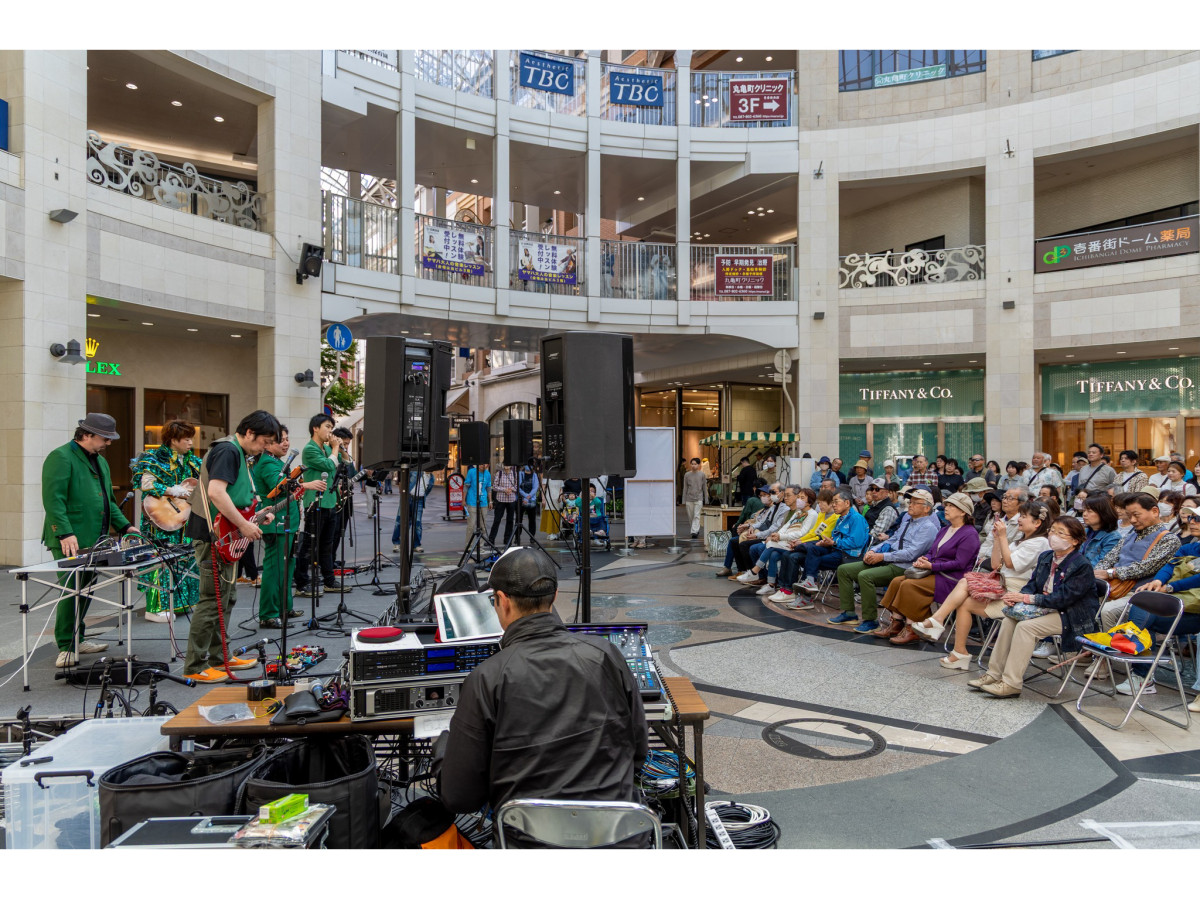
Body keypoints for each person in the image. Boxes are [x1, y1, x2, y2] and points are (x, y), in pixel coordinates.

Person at [435, 548, 648, 820]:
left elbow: (459, 797)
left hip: (526, 837)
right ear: (555, 596)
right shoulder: (606, 654)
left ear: (503, 601)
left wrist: (442, 749)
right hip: (617, 833)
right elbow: (639, 751)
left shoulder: (486, 678)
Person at [183, 410, 280, 682]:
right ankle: (195, 666)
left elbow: (234, 496)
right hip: (213, 535)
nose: (266, 448)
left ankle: (220, 657)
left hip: (226, 533)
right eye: (264, 441)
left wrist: (254, 516)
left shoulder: (238, 452)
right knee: (211, 600)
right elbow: (216, 492)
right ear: (249, 433)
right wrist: (244, 525)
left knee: (226, 598)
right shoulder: (228, 450)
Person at [42, 413, 139, 669]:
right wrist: (64, 532)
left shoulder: (100, 462)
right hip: (70, 538)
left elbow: (108, 501)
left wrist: (126, 526)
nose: (108, 443)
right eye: (105, 438)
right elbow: (53, 500)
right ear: (86, 435)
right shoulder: (60, 457)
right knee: (71, 591)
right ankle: (66, 646)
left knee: (86, 590)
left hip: (96, 537)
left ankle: (79, 638)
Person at [969, 516, 1099, 697]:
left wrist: (1027, 598)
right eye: (1052, 531)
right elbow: (1033, 584)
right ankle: (993, 674)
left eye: (1061, 533)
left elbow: (1063, 599)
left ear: (1075, 541)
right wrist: (1018, 598)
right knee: (1008, 620)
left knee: (1026, 627)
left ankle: (1011, 683)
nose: (1054, 536)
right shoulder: (1046, 556)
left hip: (1071, 614)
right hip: (1044, 606)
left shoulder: (1081, 566)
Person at [913, 500, 1053, 664]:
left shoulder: (1040, 542)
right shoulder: (1019, 541)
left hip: (1016, 592)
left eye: (1024, 516)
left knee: (965, 582)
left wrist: (1002, 537)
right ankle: (958, 651)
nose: (1019, 519)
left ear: (1037, 523)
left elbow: (1010, 564)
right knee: (964, 602)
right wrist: (997, 540)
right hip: (1002, 585)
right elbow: (995, 564)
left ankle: (938, 622)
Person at [827, 488, 941, 634]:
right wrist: (874, 550)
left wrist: (883, 556)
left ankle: (870, 621)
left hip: (904, 567)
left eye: (915, 502)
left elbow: (911, 554)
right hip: (889, 559)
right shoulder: (908, 521)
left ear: (927, 508)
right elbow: (892, 539)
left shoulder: (928, 528)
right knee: (844, 570)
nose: (910, 505)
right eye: (910, 502)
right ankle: (849, 613)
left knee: (865, 576)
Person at [874, 493, 980, 644]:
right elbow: (932, 552)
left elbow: (960, 564)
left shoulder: (969, 534)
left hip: (952, 579)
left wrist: (931, 565)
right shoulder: (945, 529)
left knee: (910, 585)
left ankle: (912, 629)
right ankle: (897, 623)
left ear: (963, 512)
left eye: (951, 506)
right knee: (898, 581)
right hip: (935, 572)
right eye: (946, 505)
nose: (946, 508)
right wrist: (924, 559)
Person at [252, 426, 326, 628]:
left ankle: (285, 607)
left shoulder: (276, 461)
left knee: (286, 566)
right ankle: (268, 614)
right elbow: (279, 487)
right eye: (280, 440)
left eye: (287, 439)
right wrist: (307, 485)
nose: (286, 443)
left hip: (286, 521)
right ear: (267, 444)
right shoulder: (268, 463)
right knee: (275, 568)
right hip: (275, 521)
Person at [131, 419, 201, 622]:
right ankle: (156, 607)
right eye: (186, 439)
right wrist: (172, 490)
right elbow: (146, 484)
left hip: (184, 518)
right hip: (161, 517)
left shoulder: (193, 461)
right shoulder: (154, 458)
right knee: (161, 559)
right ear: (173, 439)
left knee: (185, 557)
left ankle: (181, 603)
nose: (190, 443)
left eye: (191, 438)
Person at [1094, 492, 1182, 629]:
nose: (1133, 520)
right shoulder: (1130, 535)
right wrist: (1097, 572)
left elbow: (1145, 567)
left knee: (1107, 611)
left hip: (1138, 593)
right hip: (1113, 588)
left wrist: (1111, 573)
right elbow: (1109, 558)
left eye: (1136, 515)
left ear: (1154, 511)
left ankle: (1113, 642)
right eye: (1129, 516)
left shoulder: (1169, 539)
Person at [294, 414, 348, 599]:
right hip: (314, 503)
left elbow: (346, 462)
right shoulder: (310, 449)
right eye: (327, 427)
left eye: (332, 427)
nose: (330, 431)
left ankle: (329, 581)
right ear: (315, 428)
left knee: (327, 545)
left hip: (330, 501)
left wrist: (340, 447)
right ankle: (302, 583)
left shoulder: (327, 448)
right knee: (309, 546)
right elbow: (328, 465)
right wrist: (335, 448)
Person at [793, 490, 869, 595]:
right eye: (832, 502)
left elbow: (855, 542)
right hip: (836, 550)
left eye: (836, 501)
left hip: (848, 555)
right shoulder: (840, 519)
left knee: (811, 561)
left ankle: (805, 594)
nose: (833, 505)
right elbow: (833, 537)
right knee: (813, 548)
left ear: (847, 503)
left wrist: (834, 542)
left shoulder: (857, 519)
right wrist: (825, 542)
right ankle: (809, 583)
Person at [716, 481, 769, 577]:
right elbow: (758, 520)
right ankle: (742, 570)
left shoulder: (754, 501)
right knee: (734, 541)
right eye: (761, 495)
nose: (763, 497)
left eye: (765, 495)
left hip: (763, 534)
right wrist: (748, 526)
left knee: (739, 541)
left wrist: (739, 525)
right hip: (757, 531)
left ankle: (747, 571)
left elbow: (745, 515)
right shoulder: (765, 508)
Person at [394, 466, 434, 554]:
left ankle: (416, 545)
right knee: (400, 520)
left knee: (417, 523)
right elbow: (405, 479)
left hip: (419, 499)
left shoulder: (431, 478)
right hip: (408, 498)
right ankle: (397, 542)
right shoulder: (415, 471)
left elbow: (428, 490)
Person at [1079, 495, 1121, 566]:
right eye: (1084, 510)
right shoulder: (1085, 531)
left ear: (1103, 513)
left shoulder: (1113, 538)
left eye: (1089, 511)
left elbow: (1101, 563)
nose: (1084, 514)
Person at [489, 463, 519, 547]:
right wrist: (504, 490)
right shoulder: (499, 473)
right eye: (505, 464)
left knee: (510, 520)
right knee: (497, 520)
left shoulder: (514, 473)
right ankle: (491, 539)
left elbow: (517, 485)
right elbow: (494, 486)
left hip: (511, 499)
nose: (507, 466)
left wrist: (511, 489)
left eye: (508, 464)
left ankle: (507, 539)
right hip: (500, 499)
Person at [464, 461, 491, 547]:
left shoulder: (487, 474)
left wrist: (490, 501)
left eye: (485, 464)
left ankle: (480, 546)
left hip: (483, 502)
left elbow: (488, 488)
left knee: (483, 526)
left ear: (487, 465)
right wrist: (463, 499)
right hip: (472, 501)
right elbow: (466, 486)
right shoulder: (471, 472)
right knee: (471, 525)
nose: (483, 465)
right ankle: (468, 546)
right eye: (481, 463)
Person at [681, 457, 706, 539]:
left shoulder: (702, 474)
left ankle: (694, 532)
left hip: (699, 498)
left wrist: (706, 499)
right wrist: (683, 500)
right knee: (691, 516)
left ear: (699, 465)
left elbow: (704, 487)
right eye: (692, 464)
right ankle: (695, 529)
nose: (693, 465)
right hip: (689, 498)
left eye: (695, 464)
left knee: (696, 515)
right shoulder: (687, 475)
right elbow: (685, 488)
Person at [516, 461, 540, 543]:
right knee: (519, 519)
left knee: (532, 519)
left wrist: (528, 497)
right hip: (521, 499)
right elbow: (518, 487)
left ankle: (532, 537)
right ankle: (517, 537)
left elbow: (535, 487)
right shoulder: (520, 474)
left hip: (531, 499)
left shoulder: (534, 475)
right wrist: (525, 496)